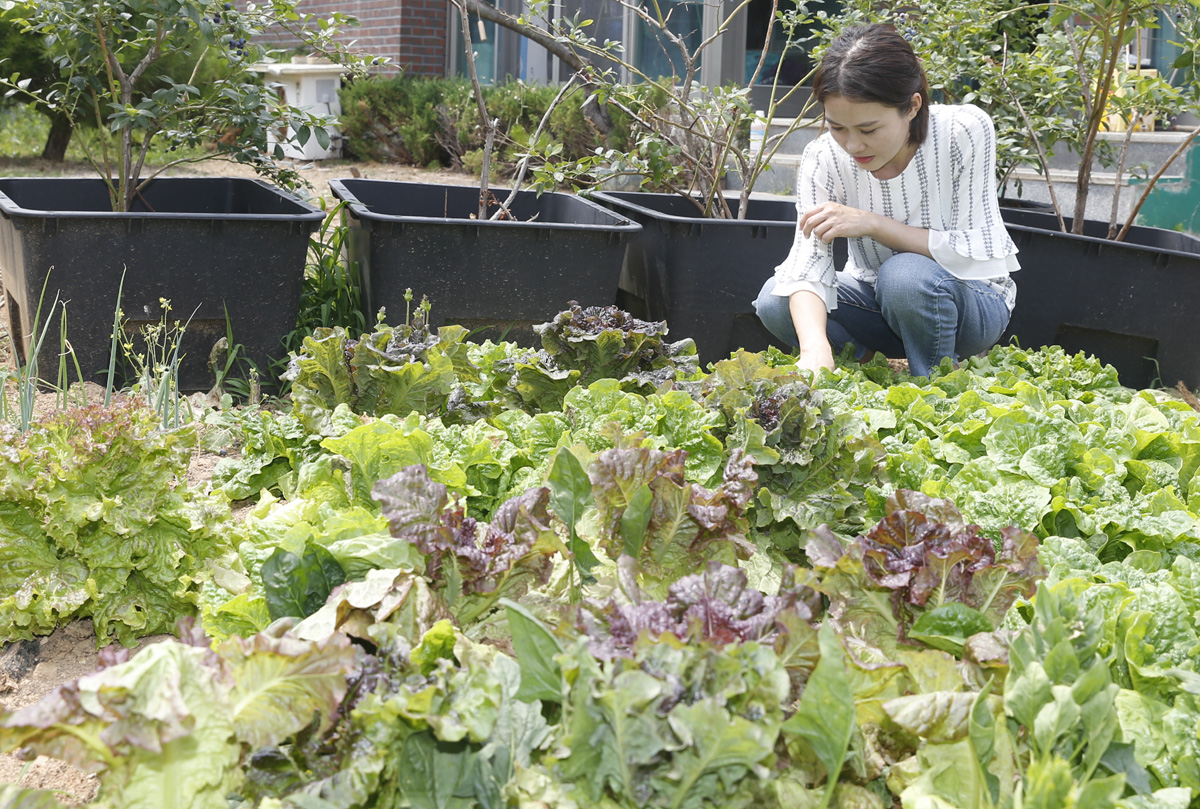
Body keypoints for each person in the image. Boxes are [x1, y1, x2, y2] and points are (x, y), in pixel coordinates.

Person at [753, 23, 1019, 377]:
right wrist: (815, 346)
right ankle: (877, 370)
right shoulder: (822, 158)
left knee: (904, 276)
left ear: (911, 107)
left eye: (868, 130)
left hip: (970, 302)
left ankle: (936, 381)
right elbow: (806, 265)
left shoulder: (962, 131)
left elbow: (976, 251)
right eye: (837, 128)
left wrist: (875, 225)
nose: (852, 146)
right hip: (876, 302)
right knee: (776, 298)